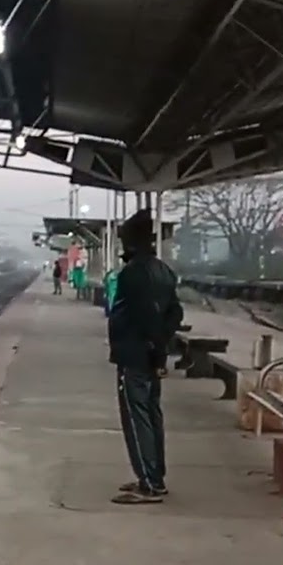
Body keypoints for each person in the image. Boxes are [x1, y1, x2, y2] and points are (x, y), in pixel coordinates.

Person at [107, 208, 183, 504]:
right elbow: (175, 311)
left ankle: (149, 484)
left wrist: (156, 345)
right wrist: (162, 342)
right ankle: (153, 476)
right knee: (152, 415)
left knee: (136, 418)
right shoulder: (163, 270)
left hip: (134, 354)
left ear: (130, 241)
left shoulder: (134, 273)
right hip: (149, 354)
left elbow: (143, 314)